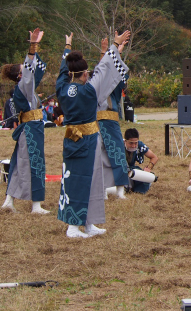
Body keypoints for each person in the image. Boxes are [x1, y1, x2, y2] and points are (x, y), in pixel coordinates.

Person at [56, 30, 130, 238]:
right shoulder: (89, 91)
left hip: (71, 138)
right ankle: (73, 226)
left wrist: (67, 47)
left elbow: (63, 69)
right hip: (88, 139)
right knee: (82, 180)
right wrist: (114, 46)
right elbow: (104, 67)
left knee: (89, 179)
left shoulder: (61, 88)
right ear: (85, 74)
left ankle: (88, 223)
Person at [1, 28, 50, 214]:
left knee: (22, 163)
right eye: (25, 70)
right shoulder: (23, 87)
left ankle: (9, 201)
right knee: (33, 164)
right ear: (20, 76)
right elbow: (31, 70)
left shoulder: (26, 87)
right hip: (30, 130)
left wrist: (37, 46)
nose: (29, 71)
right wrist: (32, 46)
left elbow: (38, 69)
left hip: (31, 128)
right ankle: (35, 205)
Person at [96, 39, 130, 200]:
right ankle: (102, 189)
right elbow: (101, 71)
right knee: (100, 155)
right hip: (97, 122)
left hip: (112, 122)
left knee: (118, 154)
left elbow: (118, 73)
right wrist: (104, 52)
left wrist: (118, 54)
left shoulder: (115, 87)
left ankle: (120, 190)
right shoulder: (97, 85)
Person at [123, 128, 158, 194]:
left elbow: (154, 157)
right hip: (120, 170)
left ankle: (138, 190)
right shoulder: (118, 146)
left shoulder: (140, 145)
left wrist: (148, 168)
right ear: (125, 141)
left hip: (132, 171)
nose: (133, 146)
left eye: (135, 143)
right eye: (131, 143)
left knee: (144, 177)